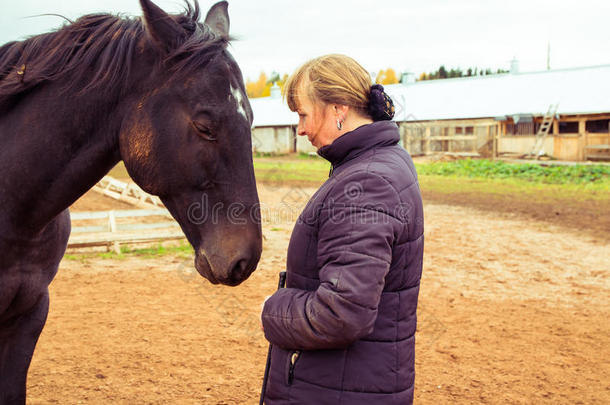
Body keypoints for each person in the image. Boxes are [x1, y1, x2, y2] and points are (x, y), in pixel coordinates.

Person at [261, 54, 424, 405]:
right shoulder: (383, 162)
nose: (300, 129)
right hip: (351, 383)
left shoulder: (365, 183)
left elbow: (342, 313)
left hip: (337, 390)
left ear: (338, 109)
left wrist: (273, 308)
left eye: (303, 114)